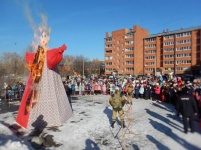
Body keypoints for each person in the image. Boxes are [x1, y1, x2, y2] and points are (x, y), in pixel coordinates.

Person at [16, 26, 73, 129]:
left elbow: (51, 63)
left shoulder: (51, 52)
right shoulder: (39, 52)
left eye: (45, 36)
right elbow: (33, 61)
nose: (43, 39)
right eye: (42, 36)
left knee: (50, 93)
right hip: (37, 78)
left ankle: (55, 117)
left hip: (50, 78)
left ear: (48, 38)